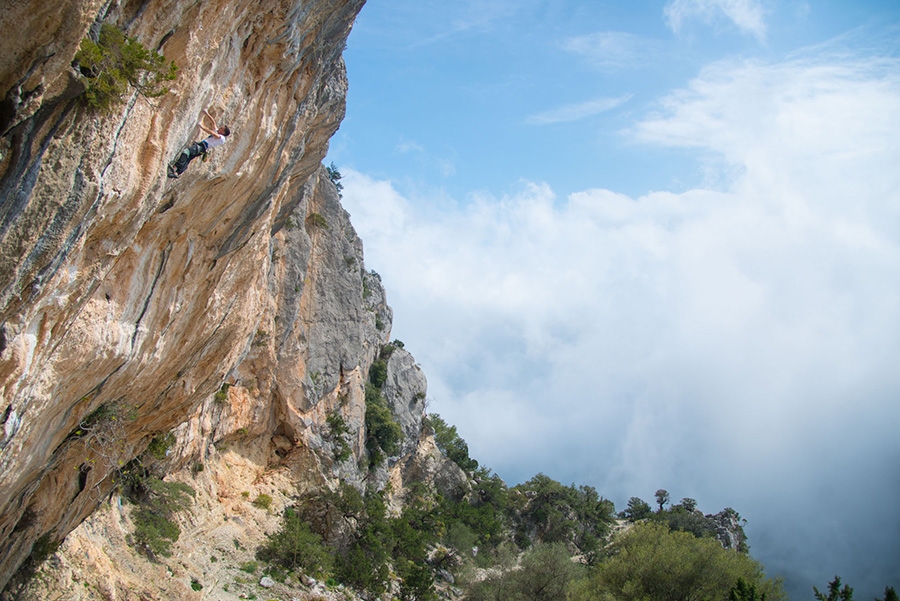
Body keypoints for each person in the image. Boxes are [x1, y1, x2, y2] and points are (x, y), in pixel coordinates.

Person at [167, 108, 230, 178]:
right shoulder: (218, 132)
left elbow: (213, 134)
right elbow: (213, 123)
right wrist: (206, 113)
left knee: (186, 152)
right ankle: (176, 173)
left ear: (223, 132)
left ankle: (176, 168)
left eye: (221, 128)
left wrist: (202, 127)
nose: (220, 128)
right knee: (188, 158)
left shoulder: (222, 138)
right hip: (201, 148)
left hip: (202, 147)